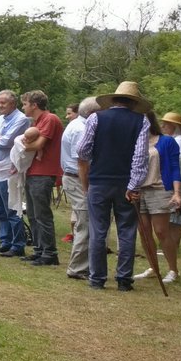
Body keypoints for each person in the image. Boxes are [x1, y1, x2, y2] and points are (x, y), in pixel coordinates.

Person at [76, 81, 151, 291]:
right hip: (125, 182)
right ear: (134, 103)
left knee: (98, 230)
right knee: (127, 231)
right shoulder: (141, 121)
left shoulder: (96, 117)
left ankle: (97, 278)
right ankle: (124, 279)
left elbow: (82, 151)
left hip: (99, 181)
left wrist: (97, 162)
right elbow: (140, 157)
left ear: (113, 100)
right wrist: (134, 185)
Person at [132, 111, 181, 283]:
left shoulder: (167, 141)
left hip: (160, 188)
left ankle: (173, 270)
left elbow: (175, 168)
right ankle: (154, 267)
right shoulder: (138, 142)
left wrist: (176, 192)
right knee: (143, 231)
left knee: (161, 231)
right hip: (140, 190)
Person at [19, 90, 64, 266]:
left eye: (25, 104)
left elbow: (38, 144)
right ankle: (39, 249)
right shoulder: (37, 121)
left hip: (44, 172)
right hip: (33, 171)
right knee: (32, 213)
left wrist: (25, 144)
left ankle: (50, 253)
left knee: (42, 214)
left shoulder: (49, 119)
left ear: (34, 105)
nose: (23, 107)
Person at [0, 90, 30, 257]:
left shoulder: (21, 119)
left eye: (3, 103)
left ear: (13, 103)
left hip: (8, 168)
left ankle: (17, 244)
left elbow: (7, 141)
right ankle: (5, 241)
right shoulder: (0, 119)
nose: (0, 106)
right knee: (0, 207)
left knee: (11, 206)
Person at [60, 97, 100, 280]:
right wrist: (87, 187)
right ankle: (77, 268)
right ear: (92, 114)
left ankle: (85, 265)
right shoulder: (81, 129)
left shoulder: (77, 124)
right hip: (78, 179)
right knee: (85, 222)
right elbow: (82, 161)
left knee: (85, 222)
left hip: (76, 178)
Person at [159, 112, 181, 283]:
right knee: (167, 222)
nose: (163, 127)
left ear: (175, 126)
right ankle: (168, 256)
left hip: (176, 183)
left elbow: (173, 161)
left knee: (174, 222)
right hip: (168, 183)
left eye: (166, 124)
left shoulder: (180, 141)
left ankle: (173, 261)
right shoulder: (172, 140)